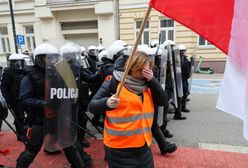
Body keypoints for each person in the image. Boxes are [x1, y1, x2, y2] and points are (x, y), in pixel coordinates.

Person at [89, 51, 168, 168]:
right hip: (119, 147)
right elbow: (92, 106)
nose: (145, 73)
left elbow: (163, 101)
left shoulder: (148, 83)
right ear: (131, 68)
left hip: (143, 145)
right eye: (141, 69)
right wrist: (107, 103)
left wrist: (152, 80)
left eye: (148, 68)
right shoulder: (113, 82)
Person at [16, 43, 90, 168]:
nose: (52, 60)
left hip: (59, 118)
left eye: (54, 57)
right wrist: (45, 103)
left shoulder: (60, 72)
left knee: (70, 146)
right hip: (39, 120)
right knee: (31, 151)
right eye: (48, 58)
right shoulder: (29, 76)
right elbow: (24, 99)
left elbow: (69, 90)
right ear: (39, 58)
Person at [0, 54, 26, 141]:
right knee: (20, 117)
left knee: (30, 116)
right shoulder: (7, 72)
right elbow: (4, 87)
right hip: (15, 100)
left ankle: (27, 132)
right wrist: (8, 100)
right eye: (14, 63)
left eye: (19, 63)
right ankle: (21, 135)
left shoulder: (24, 71)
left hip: (25, 98)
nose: (16, 65)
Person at [179, 44, 191, 112]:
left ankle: (183, 107)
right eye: (182, 51)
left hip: (184, 78)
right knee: (181, 94)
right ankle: (180, 108)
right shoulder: (177, 58)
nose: (183, 52)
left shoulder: (184, 58)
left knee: (185, 92)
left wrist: (190, 63)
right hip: (179, 79)